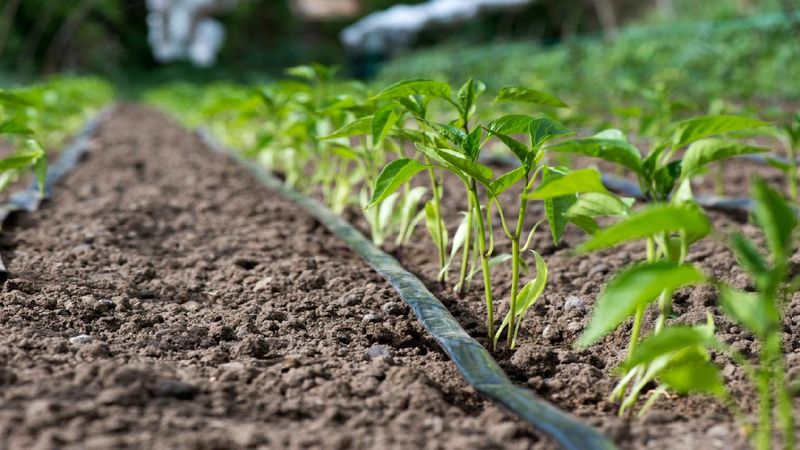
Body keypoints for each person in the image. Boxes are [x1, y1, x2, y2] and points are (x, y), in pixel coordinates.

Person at [146, 0, 235, 67]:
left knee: (202, 53)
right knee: (156, 21)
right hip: (171, 25)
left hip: (201, 26)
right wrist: (166, 35)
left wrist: (198, 15)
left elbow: (226, 5)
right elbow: (160, 10)